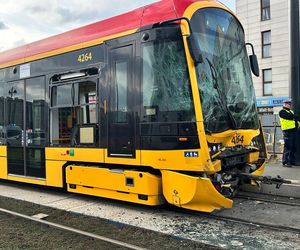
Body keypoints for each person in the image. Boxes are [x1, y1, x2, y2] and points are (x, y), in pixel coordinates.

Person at [279, 99, 299, 167]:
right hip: (287, 131)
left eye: (290, 104)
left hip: (293, 130)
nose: (290, 105)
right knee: (288, 146)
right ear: (284, 104)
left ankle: (292, 161)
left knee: (293, 146)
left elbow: (295, 118)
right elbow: (289, 117)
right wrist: (294, 118)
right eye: (288, 104)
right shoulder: (282, 112)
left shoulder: (291, 111)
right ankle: (285, 161)